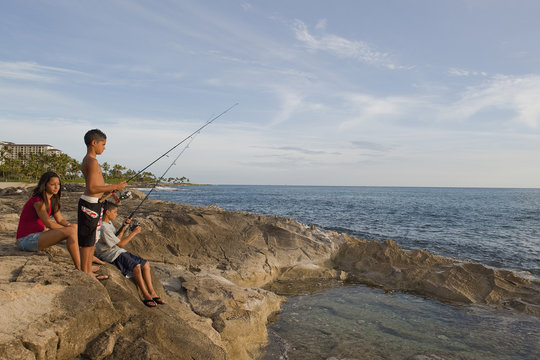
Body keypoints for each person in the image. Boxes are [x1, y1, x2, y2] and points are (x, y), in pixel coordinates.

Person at [96, 201, 165, 307]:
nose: (116, 214)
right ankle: (145, 294)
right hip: (111, 254)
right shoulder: (104, 227)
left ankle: (152, 292)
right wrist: (134, 233)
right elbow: (121, 244)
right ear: (107, 212)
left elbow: (117, 238)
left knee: (145, 264)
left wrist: (125, 225)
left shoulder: (109, 223)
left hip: (118, 251)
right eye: (114, 212)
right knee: (136, 267)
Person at [78, 129, 126, 278]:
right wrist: (115, 187)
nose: (104, 147)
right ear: (94, 143)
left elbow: (97, 187)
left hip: (95, 203)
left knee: (93, 238)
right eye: (103, 144)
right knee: (87, 240)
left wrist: (111, 194)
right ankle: (85, 270)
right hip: (89, 205)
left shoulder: (92, 161)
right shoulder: (91, 161)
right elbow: (91, 188)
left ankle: (87, 267)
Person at [16, 171, 81, 268]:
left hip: (37, 236)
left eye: (58, 184)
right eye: (52, 184)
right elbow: (48, 224)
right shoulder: (38, 201)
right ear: (44, 185)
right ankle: (81, 267)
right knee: (71, 231)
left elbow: (60, 219)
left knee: (73, 227)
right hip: (26, 240)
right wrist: (68, 231)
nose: (56, 187)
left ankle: (86, 260)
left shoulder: (52, 200)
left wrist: (70, 226)